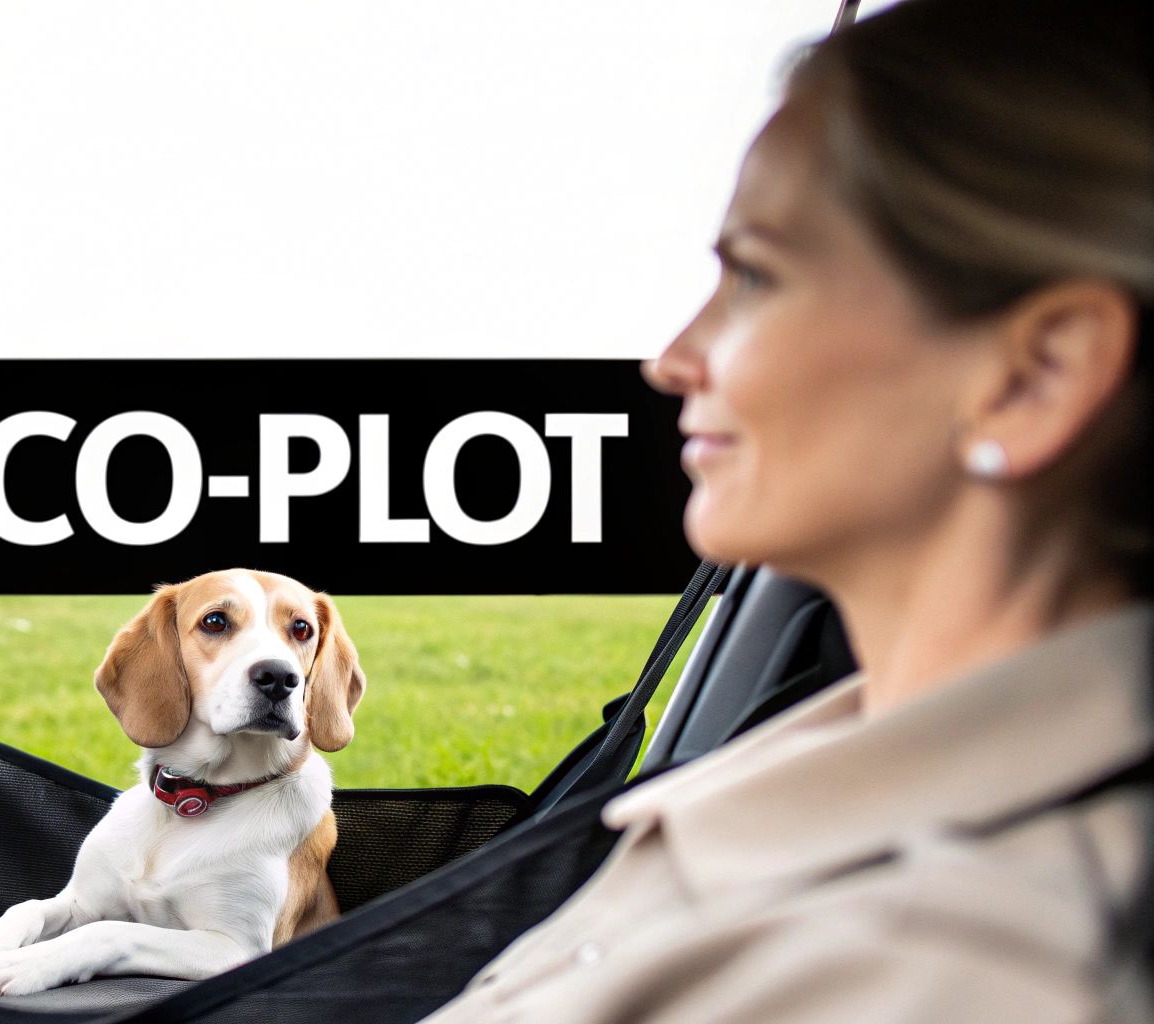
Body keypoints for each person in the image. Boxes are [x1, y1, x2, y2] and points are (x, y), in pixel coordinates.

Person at [424, 0, 1153, 1019]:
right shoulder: (823, 765)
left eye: (756, 276)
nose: (672, 359)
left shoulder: (953, 968)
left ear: (1035, 376)